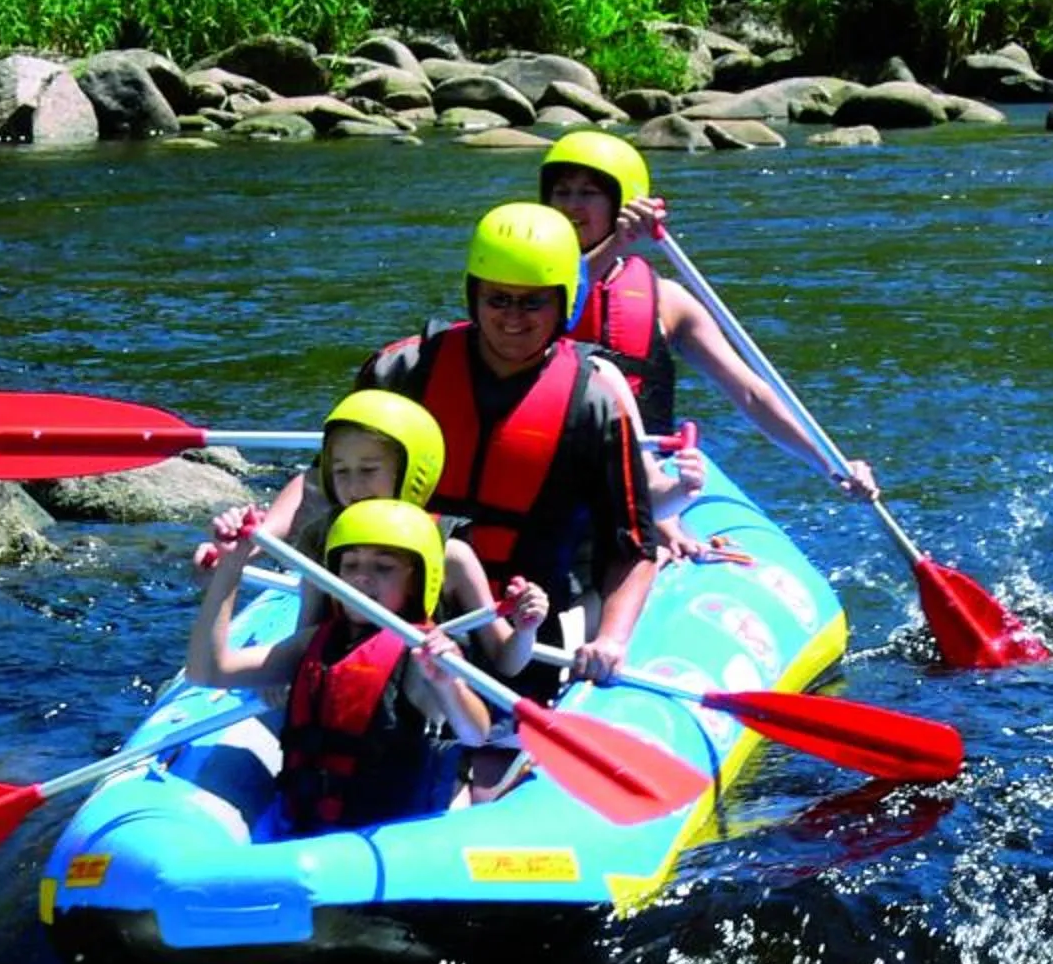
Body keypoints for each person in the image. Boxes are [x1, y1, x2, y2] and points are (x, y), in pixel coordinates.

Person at [358, 200, 658, 686]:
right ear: (474, 296)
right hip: (404, 609)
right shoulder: (403, 370)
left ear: (565, 301)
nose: (513, 318)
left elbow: (633, 548)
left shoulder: (593, 406)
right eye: (498, 299)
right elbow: (326, 486)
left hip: (529, 626)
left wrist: (612, 640)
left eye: (532, 301)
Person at [537, 129, 880, 506]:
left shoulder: (669, 301)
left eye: (588, 193)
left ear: (621, 204)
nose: (571, 206)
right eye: (562, 192)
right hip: (548, 470)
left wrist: (832, 464)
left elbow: (751, 393)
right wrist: (615, 243)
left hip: (638, 476)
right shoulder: (519, 292)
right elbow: (562, 300)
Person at [185, 498, 493, 833]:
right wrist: (233, 564)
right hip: (306, 829)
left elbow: (475, 734)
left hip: (388, 842)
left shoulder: (423, 655)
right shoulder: (313, 643)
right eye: (350, 565)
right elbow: (208, 671)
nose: (361, 578)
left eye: (384, 567)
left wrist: (450, 685)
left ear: (417, 580)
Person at [200, 387, 548, 679]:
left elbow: (506, 661)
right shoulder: (324, 544)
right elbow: (306, 634)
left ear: (413, 473)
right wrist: (232, 562)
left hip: (432, 713)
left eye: (368, 469)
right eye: (341, 470)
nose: (353, 485)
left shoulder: (450, 555)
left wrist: (526, 629)